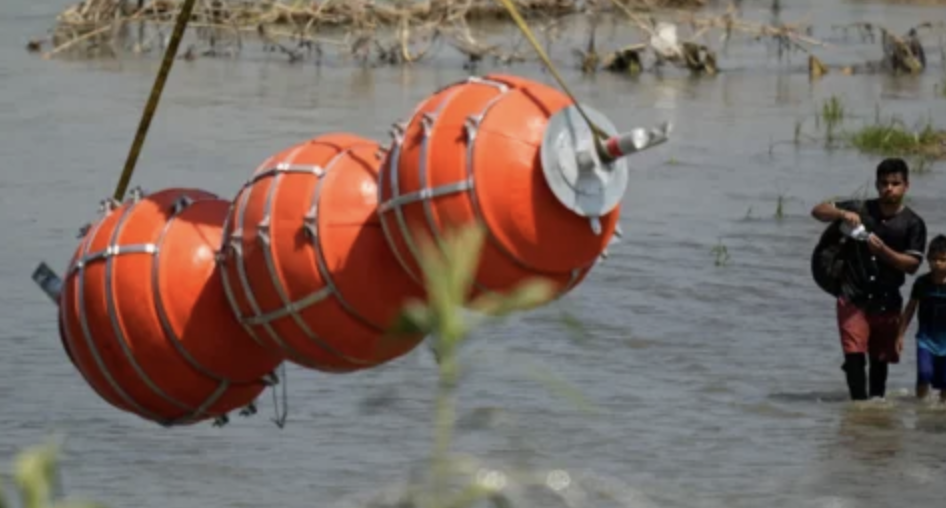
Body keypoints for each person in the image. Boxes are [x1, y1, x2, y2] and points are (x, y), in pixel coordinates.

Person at [810, 157, 927, 401]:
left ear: (907, 185)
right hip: (852, 295)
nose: (889, 189)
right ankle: (858, 410)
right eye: (884, 183)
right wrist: (842, 213)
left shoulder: (913, 224)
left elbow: (912, 266)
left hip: (887, 300)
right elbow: (818, 210)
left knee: (879, 361)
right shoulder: (861, 209)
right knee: (854, 356)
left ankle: (874, 414)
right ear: (876, 184)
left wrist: (884, 252)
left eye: (895, 183)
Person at [897, 234, 946, 402]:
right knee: (924, 374)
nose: (937, 263)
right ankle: (920, 407)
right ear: (928, 259)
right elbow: (910, 308)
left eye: (942, 259)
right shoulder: (922, 283)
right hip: (925, 340)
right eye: (933, 259)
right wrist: (900, 335)